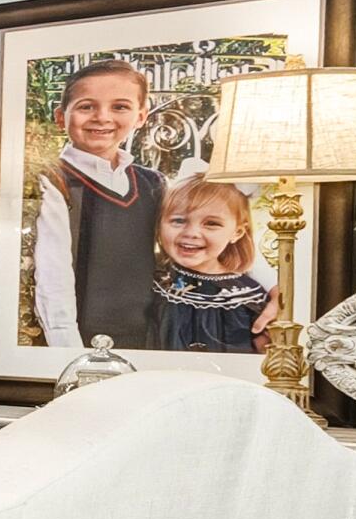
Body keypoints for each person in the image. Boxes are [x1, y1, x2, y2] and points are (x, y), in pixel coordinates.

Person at [30, 60, 166, 348]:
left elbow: (208, 238)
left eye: (120, 107)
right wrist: (68, 354)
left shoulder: (154, 183)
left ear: (141, 116)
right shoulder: (52, 182)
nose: (102, 117)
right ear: (60, 116)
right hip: (82, 343)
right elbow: (53, 279)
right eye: (86, 106)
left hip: (148, 341)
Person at [149, 177, 273, 353]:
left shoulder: (247, 297)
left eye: (211, 224)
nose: (191, 233)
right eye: (179, 220)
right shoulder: (154, 278)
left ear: (237, 232)